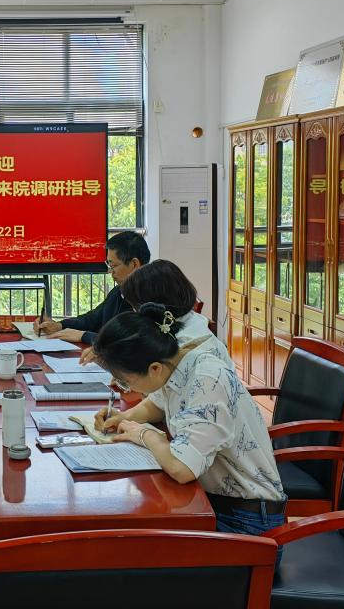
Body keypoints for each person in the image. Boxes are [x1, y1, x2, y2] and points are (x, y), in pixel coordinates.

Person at [93, 304, 285, 539]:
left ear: (154, 368)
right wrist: (123, 417)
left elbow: (182, 468)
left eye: (125, 382)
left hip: (246, 519)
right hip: (214, 501)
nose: (127, 388)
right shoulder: (175, 362)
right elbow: (156, 404)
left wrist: (145, 434)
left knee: (132, 544)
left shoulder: (207, 381)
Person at [80, 258, 233, 370]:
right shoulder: (182, 323)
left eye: (136, 308)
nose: (136, 314)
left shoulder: (187, 347)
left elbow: (157, 389)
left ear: (154, 306)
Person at [34, 231, 150, 345]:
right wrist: (59, 325)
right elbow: (91, 320)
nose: (111, 271)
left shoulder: (150, 298)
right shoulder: (118, 292)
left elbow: (131, 343)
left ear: (134, 264)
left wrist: (84, 336)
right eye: (109, 265)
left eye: (113, 265)